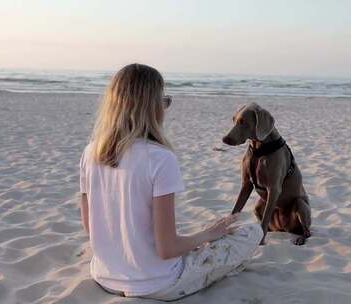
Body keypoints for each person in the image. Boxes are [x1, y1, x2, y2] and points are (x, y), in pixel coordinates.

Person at [79, 63, 263, 301]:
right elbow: (167, 250)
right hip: (157, 284)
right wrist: (209, 234)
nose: (164, 108)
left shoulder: (90, 152)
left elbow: (90, 228)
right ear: (152, 107)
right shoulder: (160, 158)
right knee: (252, 231)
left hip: (104, 276)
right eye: (163, 101)